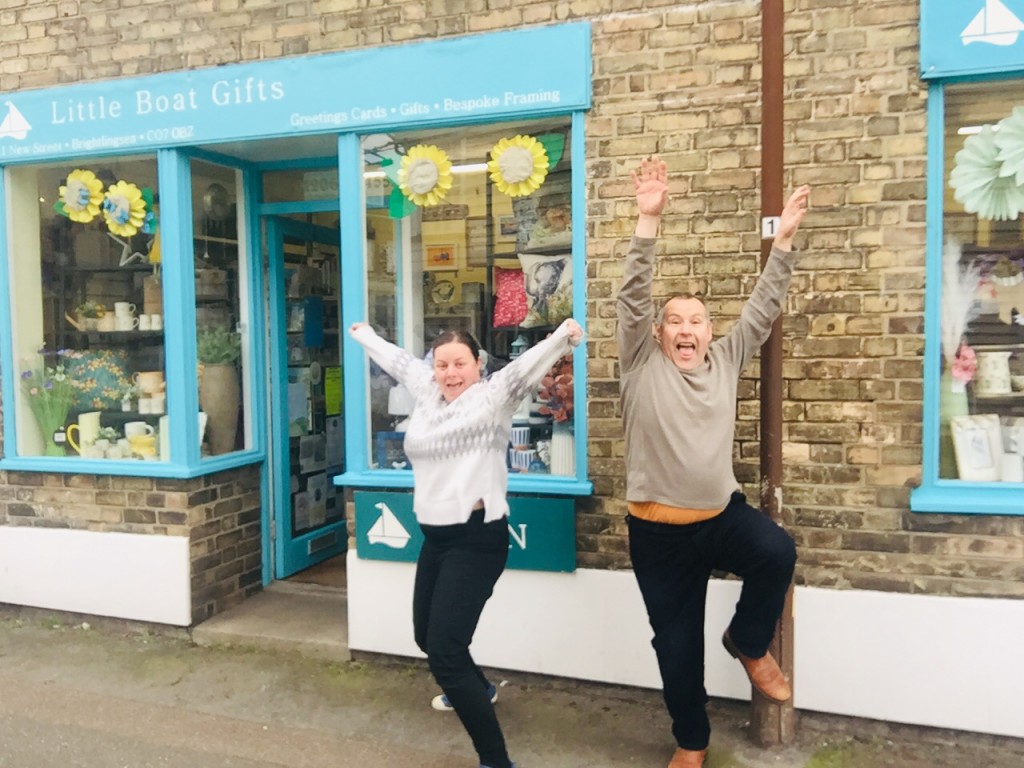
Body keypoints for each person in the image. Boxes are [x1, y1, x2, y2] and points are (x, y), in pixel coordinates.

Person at [616, 156, 809, 768]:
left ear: (709, 330)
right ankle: (692, 742)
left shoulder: (725, 360)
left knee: (776, 551)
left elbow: (762, 309)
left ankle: (747, 641)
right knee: (675, 649)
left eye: (696, 321)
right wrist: (648, 222)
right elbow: (631, 295)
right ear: (659, 332)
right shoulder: (640, 364)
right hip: (656, 534)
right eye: (674, 321)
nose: (686, 329)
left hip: (718, 517)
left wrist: (781, 247)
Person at [349, 318, 584, 768]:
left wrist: (561, 338)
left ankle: (496, 760)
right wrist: (365, 336)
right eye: (443, 365)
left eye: (460, 364)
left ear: (477, 364)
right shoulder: (428, 390)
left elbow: (525, 367)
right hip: (436, 538)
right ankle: (481, 690)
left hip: (477, 539)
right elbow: (399, 362)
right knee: (427, 637)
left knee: (445, 652)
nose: (451, 373)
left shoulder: (492, 397)